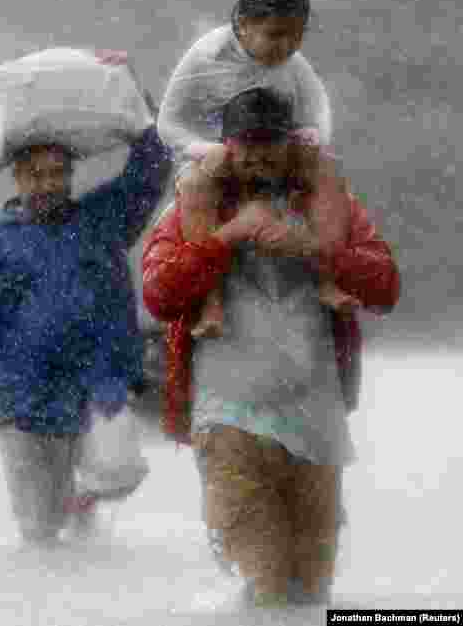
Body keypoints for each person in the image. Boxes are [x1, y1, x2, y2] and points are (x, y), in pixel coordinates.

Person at [142, 87, 400, 606]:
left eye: (270, 142)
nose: (259, 154)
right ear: (225, 147)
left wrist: (316, 250)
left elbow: (385, 286)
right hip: (227, 417)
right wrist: (227, 238)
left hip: (316, 420)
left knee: (311, 591)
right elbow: (158, 294)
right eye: (246, 142)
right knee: (264, 583)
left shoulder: (330, 203)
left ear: (292, 144)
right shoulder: (190, 207)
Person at [0, 123, 172, 546]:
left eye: (58, 173)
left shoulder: (101, 221)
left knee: (122, 473)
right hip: (22, 402)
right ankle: (47, 605)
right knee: (40, 533)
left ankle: (80, 510)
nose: (48, 184)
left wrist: (143, 117)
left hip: (97, 389)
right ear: (17, 178)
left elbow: (149, 174)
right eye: (36, 174)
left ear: (71, 175)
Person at [158, 0, 354, 338]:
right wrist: (204, 149)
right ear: (244, 25)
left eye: (296, 36)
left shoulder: (294, 63)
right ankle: (211, 300)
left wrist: (310, 138)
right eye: (276, 35)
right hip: (220, 157)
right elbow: (168, 124)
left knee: (327, 169)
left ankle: (327, 278)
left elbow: (319, 112)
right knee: (195, 184)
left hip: (278, 153)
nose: (288, 46)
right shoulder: (205, 57)